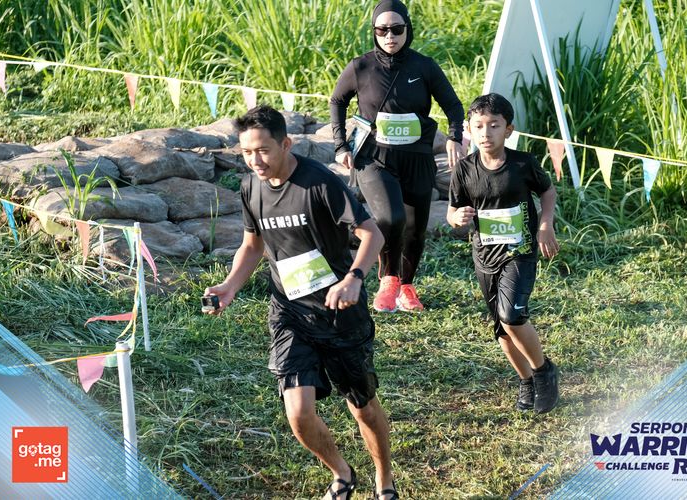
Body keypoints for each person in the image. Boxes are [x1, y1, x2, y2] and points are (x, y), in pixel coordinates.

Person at [204, 106, 398, 499]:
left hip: (340, 312)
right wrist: (229, 286)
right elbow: (252, 245)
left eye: (263, 150)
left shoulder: (318, 183)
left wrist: (353, 278)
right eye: (246, 152)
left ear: (286, 144)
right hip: (289, 312)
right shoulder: (251, 187)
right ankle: (342, 474)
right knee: (298, 412)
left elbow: (372, 233)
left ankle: (384, 480)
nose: (255, 160)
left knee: (362, 406)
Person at [330, 0, 465, 313]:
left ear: (408, 29)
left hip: (417, 158)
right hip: (374, 157)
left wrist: (455, 137)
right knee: (391, 218)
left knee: (415, 228)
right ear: (374, 31)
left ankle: (406, 286)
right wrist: (340, 145)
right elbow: (337, 100)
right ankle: (388, 279)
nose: (389, 36)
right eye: (382, 30)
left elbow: (453, 106)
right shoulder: (361, 67)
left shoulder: (424, 67)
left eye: (396, 29)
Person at [446, 93, 560, 414]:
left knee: (512, 316)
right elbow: (452, 211)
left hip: (519, 251)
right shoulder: (464, 169)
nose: (486, 133)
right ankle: (526, 380)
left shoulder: (523, 164)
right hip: (485, 256)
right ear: (470, 130)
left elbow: (547, 191)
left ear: (508, 130)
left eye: (494, 125)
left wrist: (545, 226)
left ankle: (543, 371)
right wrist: (457, 218)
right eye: (478, 126)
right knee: (501, 328)